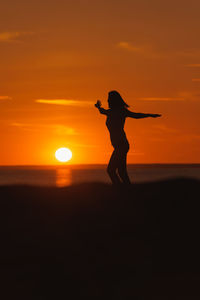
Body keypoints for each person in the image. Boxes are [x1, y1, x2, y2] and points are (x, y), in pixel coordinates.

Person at [95, 90, 161, 185]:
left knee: (111, 170)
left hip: (121, 145)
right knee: (122, 172)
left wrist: (149, 115)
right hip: (119, 145)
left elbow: (136, 115)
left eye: (109, 99)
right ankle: (128, 192)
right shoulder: (110, 112)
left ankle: (120, 191)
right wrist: (98, 107)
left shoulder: (121, 111)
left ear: (114, 101)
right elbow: (102, 111)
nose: (108, 101)